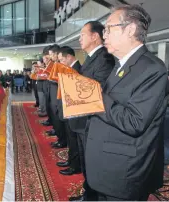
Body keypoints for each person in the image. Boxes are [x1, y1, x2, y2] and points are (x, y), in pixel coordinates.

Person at [85, 5, 168, 201]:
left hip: (124, 173)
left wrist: (95, 96)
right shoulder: (121, 64)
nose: (104, 35)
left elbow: (134, 121)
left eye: (108, 28)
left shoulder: (152, 69)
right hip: (107, 166)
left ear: (130, 29)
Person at [69, 20, 115, 201]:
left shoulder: (104, 58)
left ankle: (93, 196)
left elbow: (99, 89)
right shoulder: (91, 58)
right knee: (86, 160)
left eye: (82, 35)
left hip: (92, 120)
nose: (79, 39)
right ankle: (89, 193)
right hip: (84, 119)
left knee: (93, 162)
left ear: (95, 36)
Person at [56, 46, 82, 176]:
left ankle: (75, 166)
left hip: (74, 111)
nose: (60, 63)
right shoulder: (69, 69)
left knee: (74, 140)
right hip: (68, 109)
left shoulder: (77, 69)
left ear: (69, 57)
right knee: (71, 139)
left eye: (62, 60)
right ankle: (71, 161)